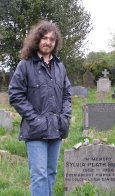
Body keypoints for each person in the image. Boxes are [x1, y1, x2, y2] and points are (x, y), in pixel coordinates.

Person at [9, 20, 72, 196]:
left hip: (57, 128)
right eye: (44, 38)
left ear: (55, 42)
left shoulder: (60, 66)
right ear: (37, 39)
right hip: (35, 129)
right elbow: (15, 95)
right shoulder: (25, 65)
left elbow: (67, 94)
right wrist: (35, 119)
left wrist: (65, 117)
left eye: (52, 39)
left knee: (51, 173)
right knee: (39, 175)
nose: (48, 42)